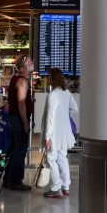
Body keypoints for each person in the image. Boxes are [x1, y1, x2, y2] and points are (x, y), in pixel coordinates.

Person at [41, 67, 78, 199]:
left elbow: (50, 118)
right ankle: (65, 186)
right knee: (62, 157)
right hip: (65, 131)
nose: (47, 78)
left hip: (54, 132)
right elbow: (75, 108)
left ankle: (56, 188)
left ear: (53, 78)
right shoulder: (66, 93)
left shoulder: (53, 95)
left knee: (51, 158)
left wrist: (47, 136)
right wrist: (65, 116)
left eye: (48, 76)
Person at [3, 54, 34, 191]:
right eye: (29, 61)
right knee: (20, 151)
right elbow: (21, 103)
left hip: (13, 118)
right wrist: (26, 123)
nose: (32, 62)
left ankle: (8, 179)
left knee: (12, 149)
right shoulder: (22, 81)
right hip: (18, 119)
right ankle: (16, 181)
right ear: (24, 66)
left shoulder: (16, 79)